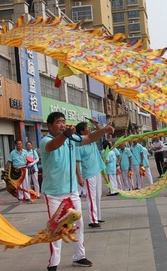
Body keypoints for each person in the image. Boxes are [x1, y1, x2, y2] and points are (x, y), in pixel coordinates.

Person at [40, 111, 114, 270]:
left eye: (63, 121)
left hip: (72, 191)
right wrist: (66, 134)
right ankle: (53, 264)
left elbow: (88, 138)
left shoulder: (71, 139)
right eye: (58, 122)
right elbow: (53, 146)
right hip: (53, 194)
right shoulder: (46, 140)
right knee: (56, 228)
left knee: (78, 223)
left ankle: (79, 256)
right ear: (50, 126)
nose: (62, 124)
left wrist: (103, 131)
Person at [77, 119, 105, 229]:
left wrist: (95, 122)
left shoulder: (91, 140)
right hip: (89, 174)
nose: (89, 129)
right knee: (91, 197)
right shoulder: (79, 145)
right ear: (82, 132)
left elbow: (101, 131)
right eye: (87, 128)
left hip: (97, 170)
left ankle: (97, 216)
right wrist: (80, 177)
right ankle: (93, 220)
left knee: (98, 195)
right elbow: (77, 162)